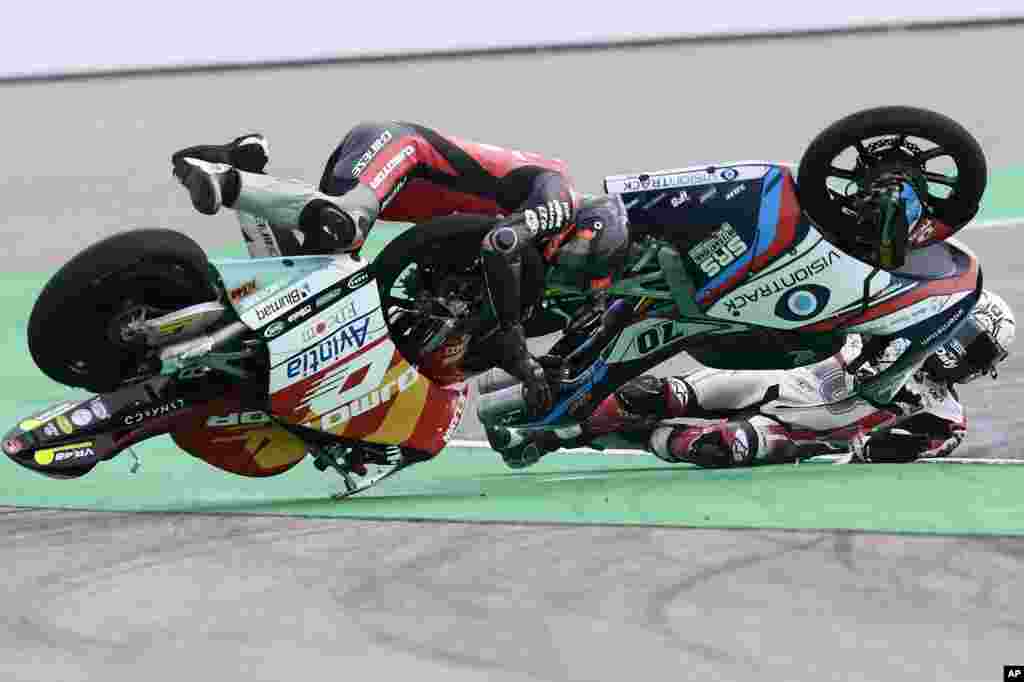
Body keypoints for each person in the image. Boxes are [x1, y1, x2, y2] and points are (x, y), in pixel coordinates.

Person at [169, 125, 630, 417]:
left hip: (395, 194)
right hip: (399, 151)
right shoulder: (559, 198)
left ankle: (241, 165)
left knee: (306, 283)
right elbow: (501, 243)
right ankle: (226, 181)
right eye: (573, 261)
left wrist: (521, 364)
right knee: (344, 223)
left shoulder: (543, 252)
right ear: (580, 228)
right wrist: (511, 330)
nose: (563, 271)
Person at [502, 289, 1015, 468]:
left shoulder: (944, 420)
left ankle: (595, 435)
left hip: (799, 436)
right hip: (774, 381)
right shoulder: (883, 326)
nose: (968, 360)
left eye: (980, 356)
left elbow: (871, 454)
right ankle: (546, 435)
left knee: (699, 446)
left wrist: (810, 447)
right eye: (972, 344)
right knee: (651, 393)